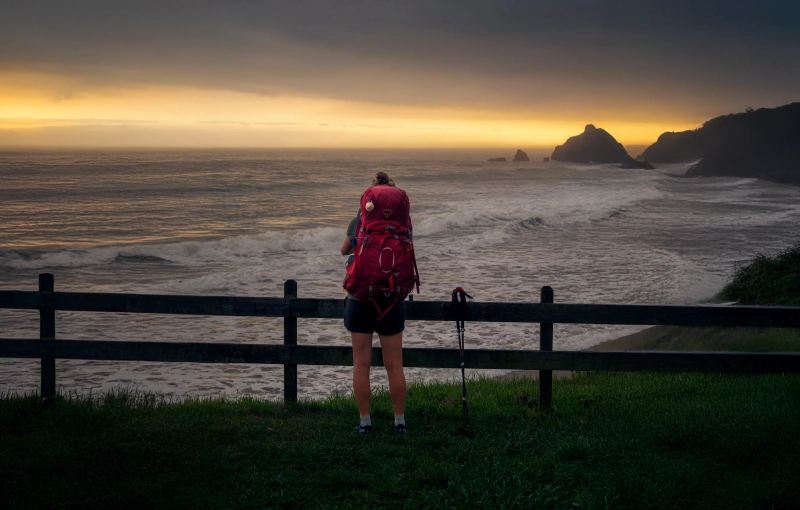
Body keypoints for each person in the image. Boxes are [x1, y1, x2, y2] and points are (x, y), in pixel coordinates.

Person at [340, 171, 408, 435]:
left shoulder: (360, 219)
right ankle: (399, 423)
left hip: (360, 297)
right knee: (395, 364)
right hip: (391, 298)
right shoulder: (402, 221)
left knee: (361, 363)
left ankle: (365, 423)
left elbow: (344, 250)